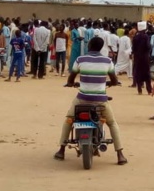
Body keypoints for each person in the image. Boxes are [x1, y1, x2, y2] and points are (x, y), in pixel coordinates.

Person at [54, 37, 127, 165]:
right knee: (112, 123)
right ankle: (120, 154)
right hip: (100, 101)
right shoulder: (107, 61)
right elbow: (114, 80)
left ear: (89, 46)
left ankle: (61, 150)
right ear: (101, 47)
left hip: (82, 99)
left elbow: (70, 79)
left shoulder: (80, 59)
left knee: (69, 120)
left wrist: (72, 84)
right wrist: (110, 83)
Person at [131, 21, 152, 95]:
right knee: (147, 73)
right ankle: (149, 90)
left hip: (137, 57)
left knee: (138, 72)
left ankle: (139, 89)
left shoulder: (135, 37)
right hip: (145, 57)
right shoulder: (146, 36)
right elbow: (148, 46)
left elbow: (133, 48)